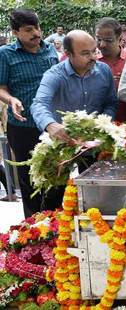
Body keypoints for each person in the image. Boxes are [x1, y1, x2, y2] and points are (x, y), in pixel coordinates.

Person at [0, 8, 59, 218]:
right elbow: (1, 87)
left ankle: (54, 224)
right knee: (29, 179)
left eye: (37, 27)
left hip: (52, 126)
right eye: (28, 30)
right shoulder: (6, 54)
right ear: (16, 32)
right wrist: (11, 99)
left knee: (56, 177)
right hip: (23, 126)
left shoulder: (50, 50)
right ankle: (34, 229)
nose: (36, 33)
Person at [31, 30, 118, 141]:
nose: (93, 57)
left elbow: (111, 103)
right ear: (68, 54)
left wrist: (104, 123)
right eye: (85, 53)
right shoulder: (55, 75)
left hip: (97, 142)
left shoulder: (104, 70)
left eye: (94, 51)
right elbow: (39, 103)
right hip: (65, 142)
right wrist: (50, 124)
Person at [95, 17, 126, 122]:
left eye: (108, 40)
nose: (102, 44)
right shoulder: (91, 62)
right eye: (98, 39)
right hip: (98, 124)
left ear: (120, 39)